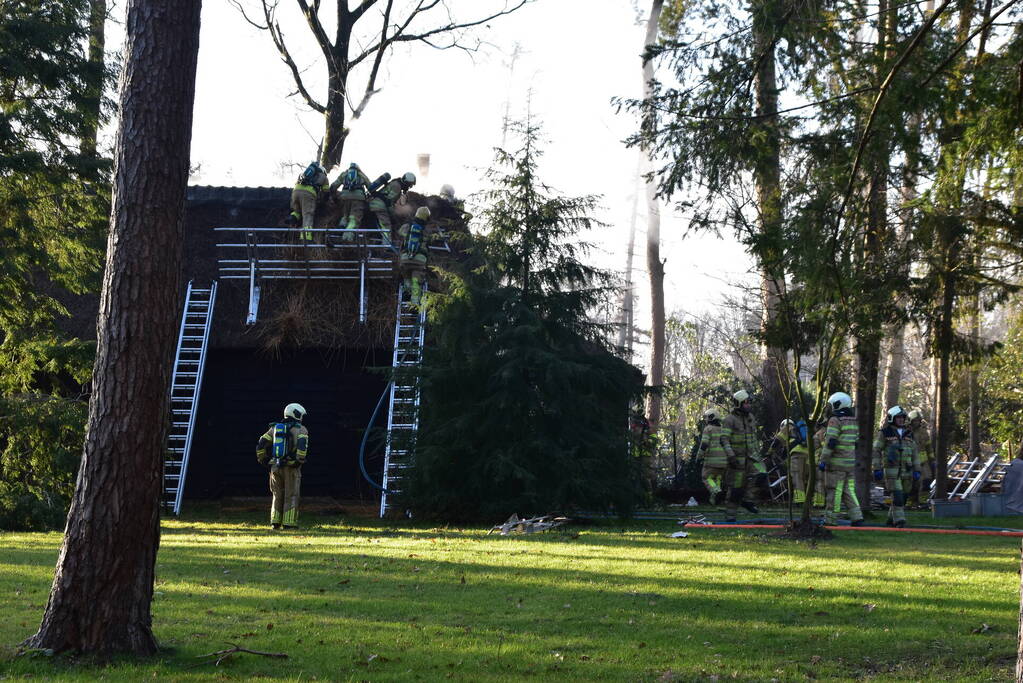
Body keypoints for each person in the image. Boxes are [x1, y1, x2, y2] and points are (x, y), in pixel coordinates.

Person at [256, 402, 310, 530]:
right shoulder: (301, 429)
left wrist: (263, 460)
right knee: (291, 495)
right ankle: (289, 523)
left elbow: (261, 444)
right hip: (291, 468)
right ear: (296, 414)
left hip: (275, 467)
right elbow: (302, 446)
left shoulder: (274, 428)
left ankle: (275, 522)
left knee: (277, 495)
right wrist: (298, 461)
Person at [817, 392, 864, 526]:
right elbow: (856, 441)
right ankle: (857, 517)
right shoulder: (853, 420)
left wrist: (823, 460)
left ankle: (830, 519)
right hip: (849, 463)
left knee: (834, 491)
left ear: (837, 404)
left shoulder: (835, 420)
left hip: (836, 463)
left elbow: (830, 442)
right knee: (849, 490)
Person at [872, 405, 919, 527]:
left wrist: (917, 470)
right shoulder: (885, 433)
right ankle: (900, 521)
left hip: (907, 471)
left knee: (903, 497)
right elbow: (876, 450)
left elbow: (915, 453)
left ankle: (890, 518)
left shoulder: (909, 433)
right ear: (892, 418)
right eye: (898, 417)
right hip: (892, 471)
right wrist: (877, 468)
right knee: (897, 496)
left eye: (903, 417)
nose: (901, 420)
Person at [720, 389, 762, 521]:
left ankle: (748, 500)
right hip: (737, 460)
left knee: (761, 475)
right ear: (738, 404)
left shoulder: (751, 418)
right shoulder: (729, 420)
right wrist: (731, 456)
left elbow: (753, 438)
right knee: (735, 489)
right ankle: (730, 517)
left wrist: (758, 454)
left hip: (752, 458)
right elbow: (724, 439)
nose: (748, 405)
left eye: (749, 402)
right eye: (746, 403)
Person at [398, 206, 434, 307]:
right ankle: (414, 304)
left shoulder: (406, 227)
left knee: (407, 278)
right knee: (416, 282)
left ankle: (407, 293)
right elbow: (430, 240)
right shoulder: (426, 230)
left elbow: (399, 232)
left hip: (405, 259)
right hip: (419, 261)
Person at [698, 407, 734, 504]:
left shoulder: (708, 429)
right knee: (717, 478)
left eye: (706, 417)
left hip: (711, 461)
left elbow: (704, 444)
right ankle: (715, 499)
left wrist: (699, 456)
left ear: (711, 417)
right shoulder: (723, 430)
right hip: (723, 462)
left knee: (707, 478)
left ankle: (716, 491)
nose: (705, 419)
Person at [368, 171, 416, 243]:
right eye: (410, 185)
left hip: (374, 204)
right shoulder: (397, 187)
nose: (409, 187)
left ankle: (376, 241)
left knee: (377, 225)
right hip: (379, 206)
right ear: (406, 183)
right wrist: (393, 215)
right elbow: (388, 202)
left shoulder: (395, 183)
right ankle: (386, 245)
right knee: (386, 226)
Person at [287, 162, 329, 242]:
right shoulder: (324, 177)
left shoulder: (305, 173)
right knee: (308, 215)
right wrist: (324, 201)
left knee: (297, 210)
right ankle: (306, 237)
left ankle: (292, 217)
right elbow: (326, 191)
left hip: (295, 191)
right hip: (308, 194)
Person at [330, 162, 371, 241]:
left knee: (345, 216)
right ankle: (347, 238)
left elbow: (333, 186)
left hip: (344, 198)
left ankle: (340, 230)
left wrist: (335, 198)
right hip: (358, 199)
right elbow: (370, 186)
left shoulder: (344, 174)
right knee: (354, 219)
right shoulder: (361, 174)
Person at [908, 409, 932, 505]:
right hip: (911, 462)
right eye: (914, 421)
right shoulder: (906, 432)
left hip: (924, 462)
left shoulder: (924, 432)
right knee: (912, 482)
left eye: (918, 420)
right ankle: (910, 501)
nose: (916, 422)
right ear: (910, 421)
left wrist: (932, 459)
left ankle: (923, 501)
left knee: (927, 480)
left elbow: (929, 446)